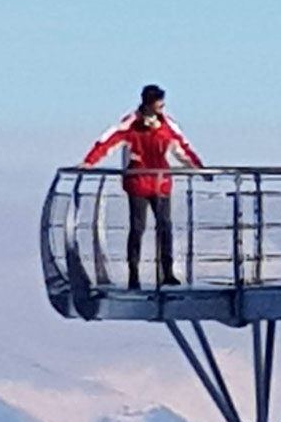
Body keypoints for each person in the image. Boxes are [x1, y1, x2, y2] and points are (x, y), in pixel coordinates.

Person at [81, 85, 204, 289]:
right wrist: (89, 161)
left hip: (160, 183)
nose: (161, 110)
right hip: (138, 184)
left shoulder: (167, 126)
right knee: (137, 228)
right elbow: (107, 142)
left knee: (165, 226)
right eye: (159, 105)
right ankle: (134, 274)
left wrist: (198, 168)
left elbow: (182, 148)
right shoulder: (131, 124)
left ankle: (168, 272)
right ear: (149, 104)